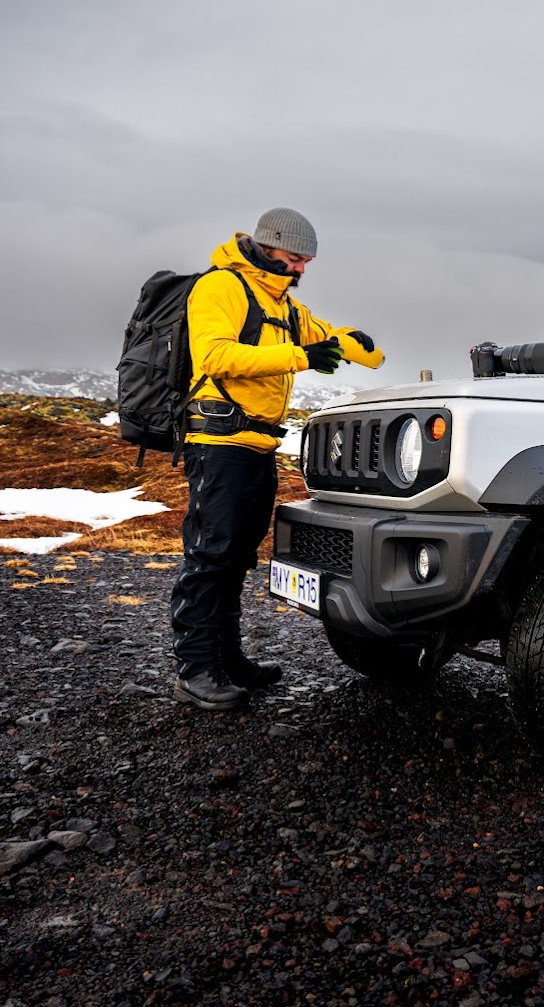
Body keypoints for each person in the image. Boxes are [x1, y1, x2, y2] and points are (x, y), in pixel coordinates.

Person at [170, 208, 383, 711]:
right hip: (219, 443)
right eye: (294, 259)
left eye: (307, 262)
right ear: (267, 248)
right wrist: (301, 357)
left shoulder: (282, 303)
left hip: (258, 446)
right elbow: (216, 356)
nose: (302, 270)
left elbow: (324, 335)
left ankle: (229, 660)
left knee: (238, 557)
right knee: (210, 556)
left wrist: (362, 348)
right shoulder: (220, 287)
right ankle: (196, 670)